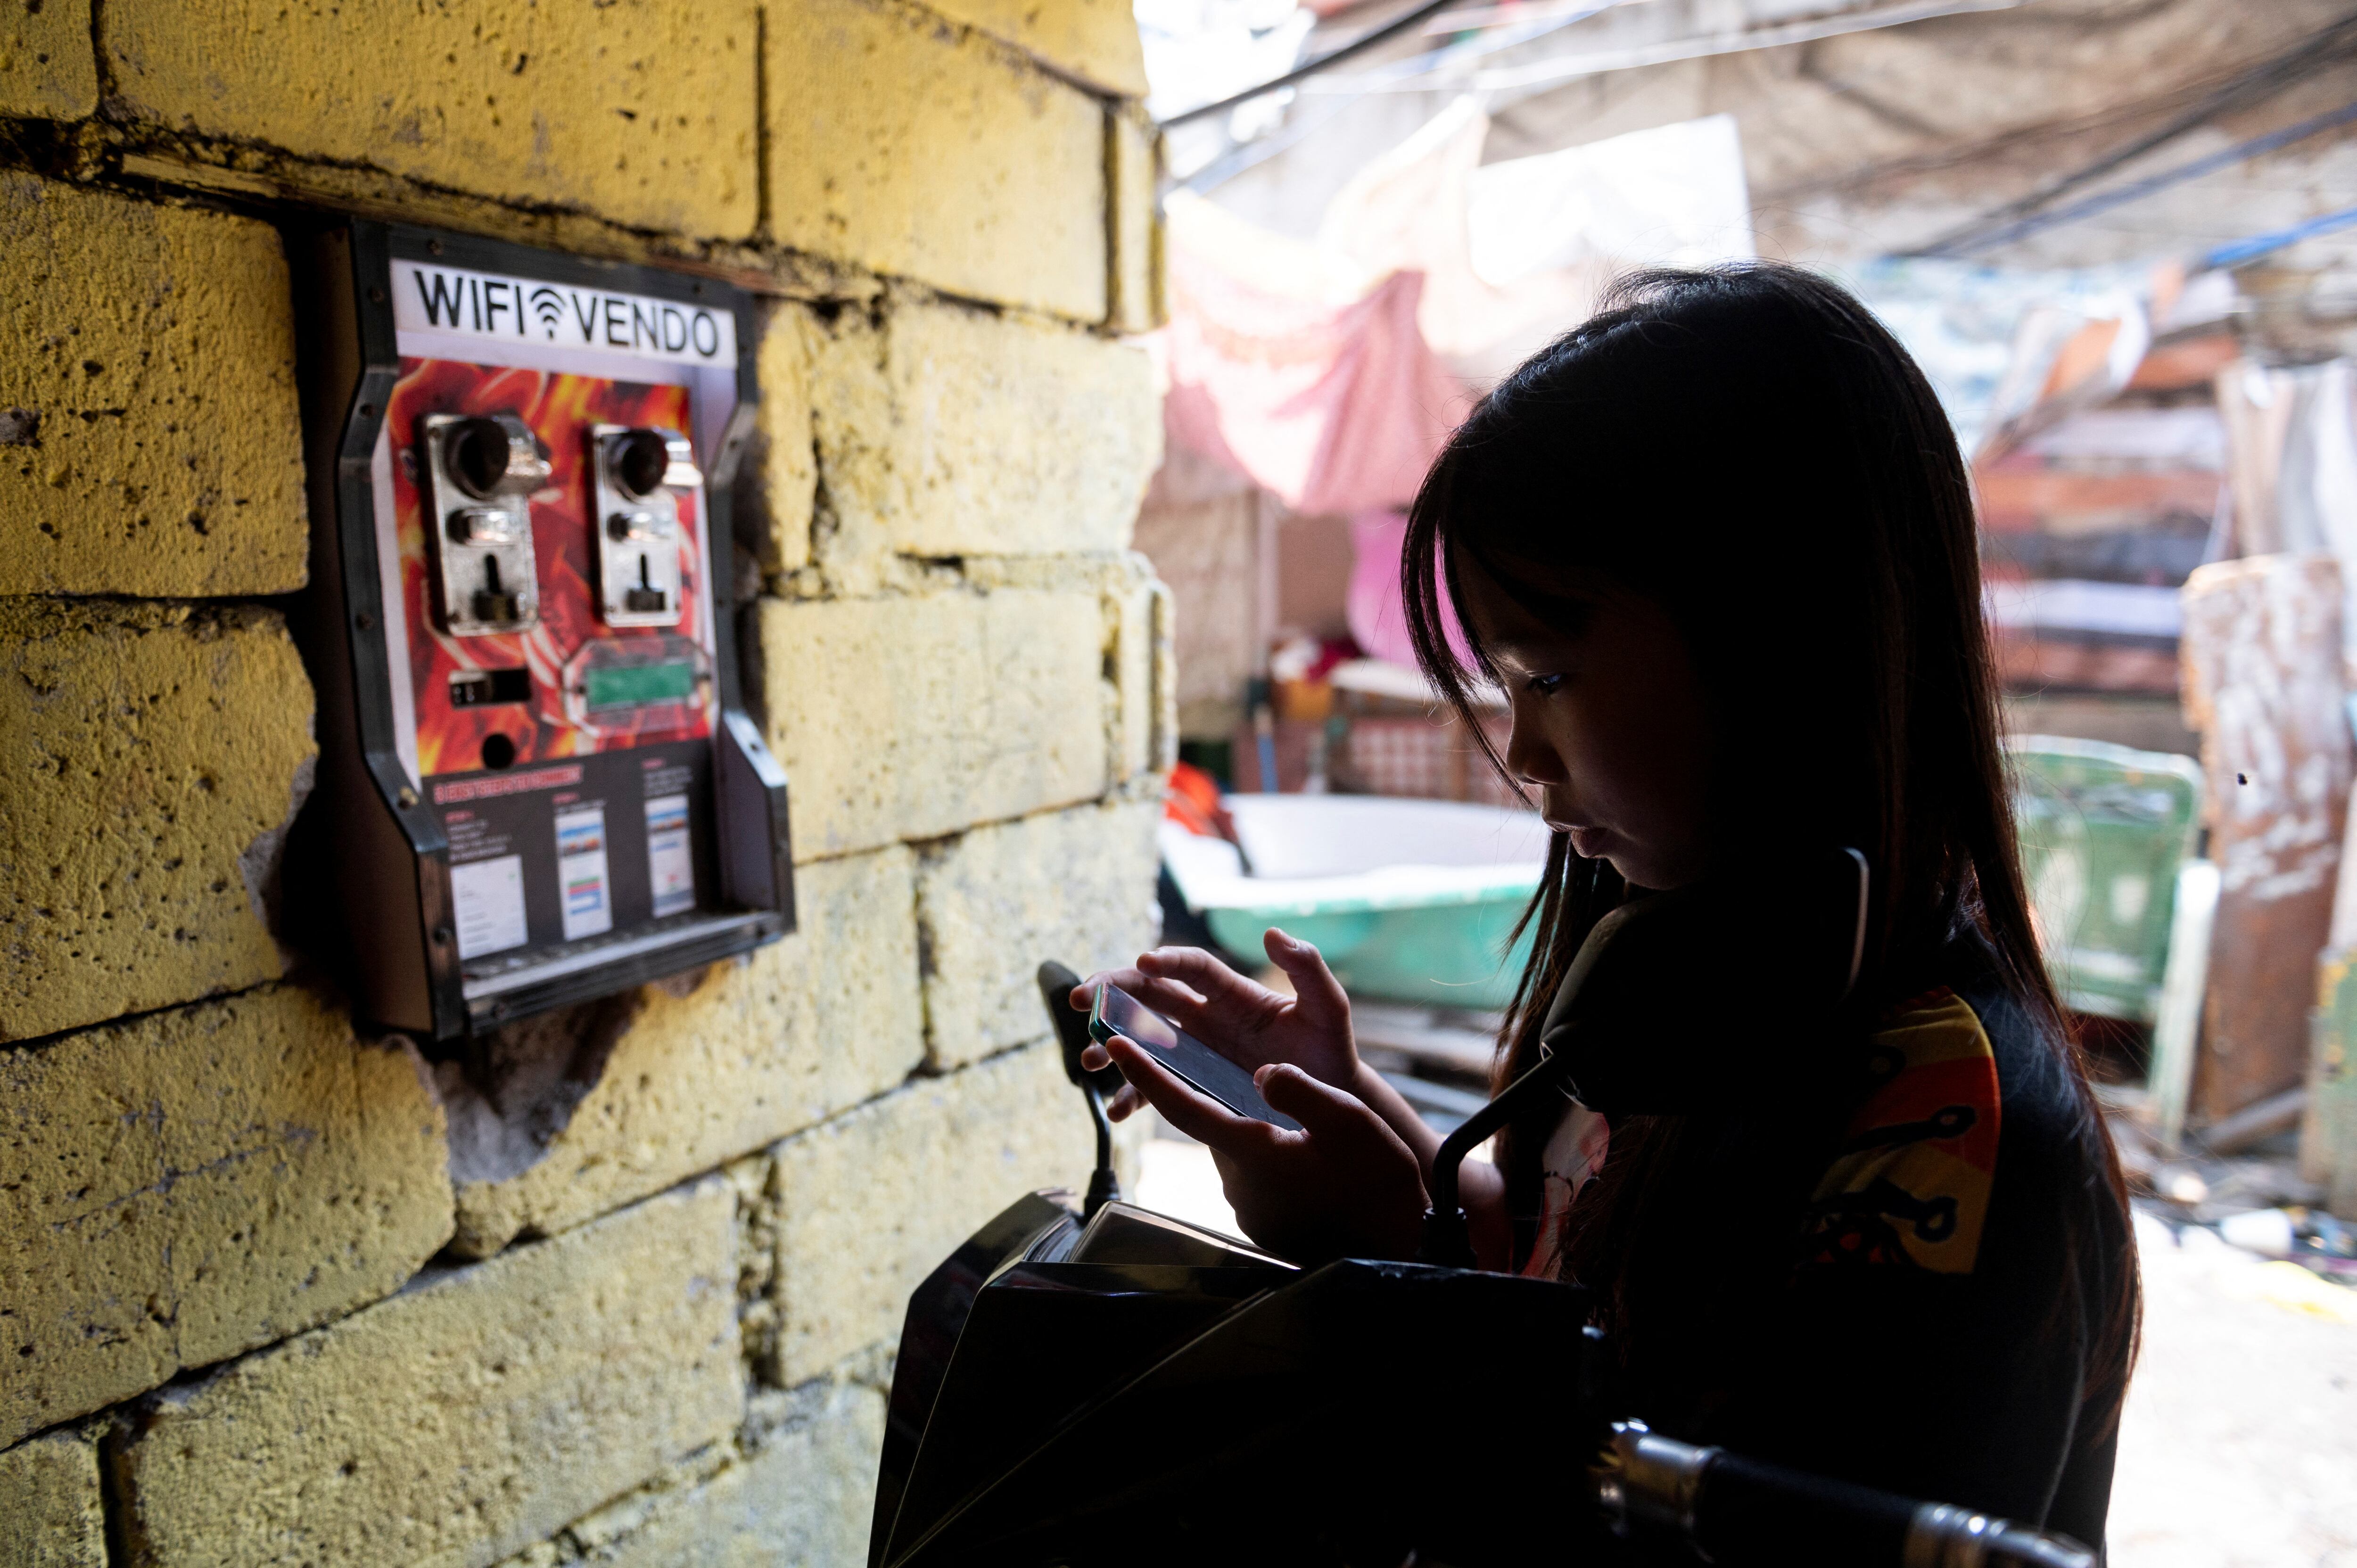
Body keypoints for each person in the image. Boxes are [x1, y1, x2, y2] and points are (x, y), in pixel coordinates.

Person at [1077, 263, 2139, 1552]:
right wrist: (1375, 1151)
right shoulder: (1677, 962)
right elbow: (1566, 1284)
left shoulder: (1941, 1116)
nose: (1521, 754)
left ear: (1777, 637)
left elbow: (1679, 1510)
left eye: (1550, 672)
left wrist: (1376, 1264)